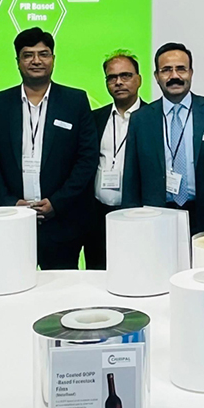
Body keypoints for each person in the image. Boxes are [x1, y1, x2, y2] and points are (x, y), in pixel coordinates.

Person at [0, 28, 98, 269]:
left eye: (43, 54)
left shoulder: (75, 101)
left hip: (62, 223)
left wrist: (57, 203)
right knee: (13, 285)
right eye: (28, 55)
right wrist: (11, 203)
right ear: (18, 61)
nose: (36, 61)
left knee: (61, 288)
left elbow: (87, 159)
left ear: (53, 59)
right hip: (11, 222)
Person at [121, 42, 204, 234]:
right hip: (156, 216)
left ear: (191, 73)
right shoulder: (141, 119)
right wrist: (129, 221)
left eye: (181, 69)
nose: (174, 76)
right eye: (166, 70)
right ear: (156, 76)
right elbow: (132, 176)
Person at [83, 50, 146, 269]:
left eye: (126, 75)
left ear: (139, 80)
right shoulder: (94, 118)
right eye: (112, 77)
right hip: (97, 216)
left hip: (137, 215)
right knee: (98, 272)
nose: (118, 82)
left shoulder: (152, 117)